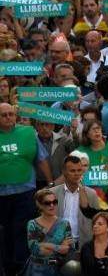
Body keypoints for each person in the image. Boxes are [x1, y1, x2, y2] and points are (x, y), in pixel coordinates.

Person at [0, 102, 54, 274]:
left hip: (25, 193)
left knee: (23, 231)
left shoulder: (29, 133)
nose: (9, 117)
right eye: (4, 115)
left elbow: (41, 159)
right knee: (5, 232)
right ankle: (7, 268)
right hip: (2, 195)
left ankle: (23, 267)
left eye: (11, 114)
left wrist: (50, 183)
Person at [51, 155, 101, 248]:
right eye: (72, 171)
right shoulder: (53, 193)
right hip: (58, 244)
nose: (76, 174)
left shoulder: (91, 194)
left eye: (79, 170)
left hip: (84, 245)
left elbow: (96, 220)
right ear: (64, 172)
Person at [24, 188, 73, 276]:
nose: (52, 205)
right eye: (47, 203)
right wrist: (59, 247)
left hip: (58, 269)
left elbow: (67, 249)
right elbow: (35, 250)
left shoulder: (64, 224)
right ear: (39, 205)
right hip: (36, 270)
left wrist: (45, 245)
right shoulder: (32, 224)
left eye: (54, 202)